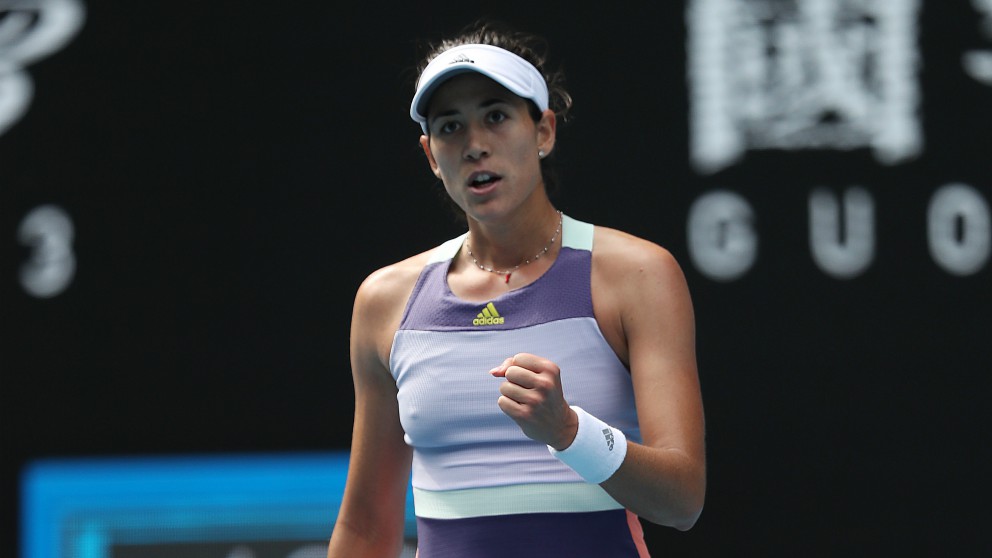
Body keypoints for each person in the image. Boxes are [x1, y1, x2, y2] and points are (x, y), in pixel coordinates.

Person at [327, 21, 705, 558]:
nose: (475, 145)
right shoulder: (384, 301)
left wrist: (569, 432)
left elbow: (682, 501)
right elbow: (366, 528)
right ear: (432, 157)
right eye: (450, 127)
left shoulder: (638, 274)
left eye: (496, 117)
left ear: (544, 131)